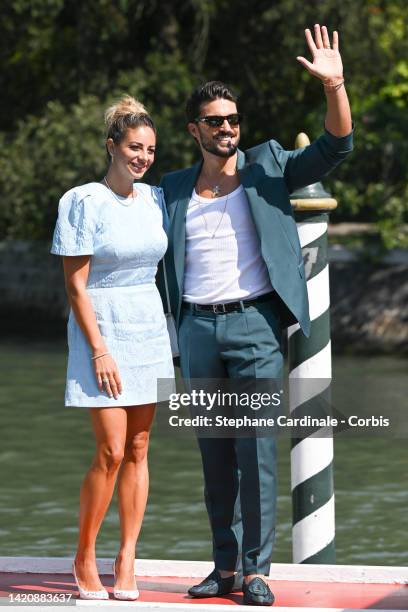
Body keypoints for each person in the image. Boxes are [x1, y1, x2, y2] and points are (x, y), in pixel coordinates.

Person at [159, 25, 353, 606]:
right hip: (195, 329)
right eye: (215, 121)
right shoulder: (169, 189)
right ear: (194, 129)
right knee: (214, 456)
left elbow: (336, 147)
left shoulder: (269, 164)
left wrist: (335, 85)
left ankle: (257, 571)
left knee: (257, 450)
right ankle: (223, 569)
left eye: (233, 120)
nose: (227, 129)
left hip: (255, 328)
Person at [51, 95, 174, 600]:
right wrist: (99, 349)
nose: (142, 157)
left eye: (148, 149)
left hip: (148, 325)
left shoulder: (156, 199)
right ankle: (84, 554)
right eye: (133, 147)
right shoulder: (82, 201)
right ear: (112, 147)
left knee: (141, 448)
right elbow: (76, 286)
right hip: (100, 327)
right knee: (110, 449)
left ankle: (127, 557)